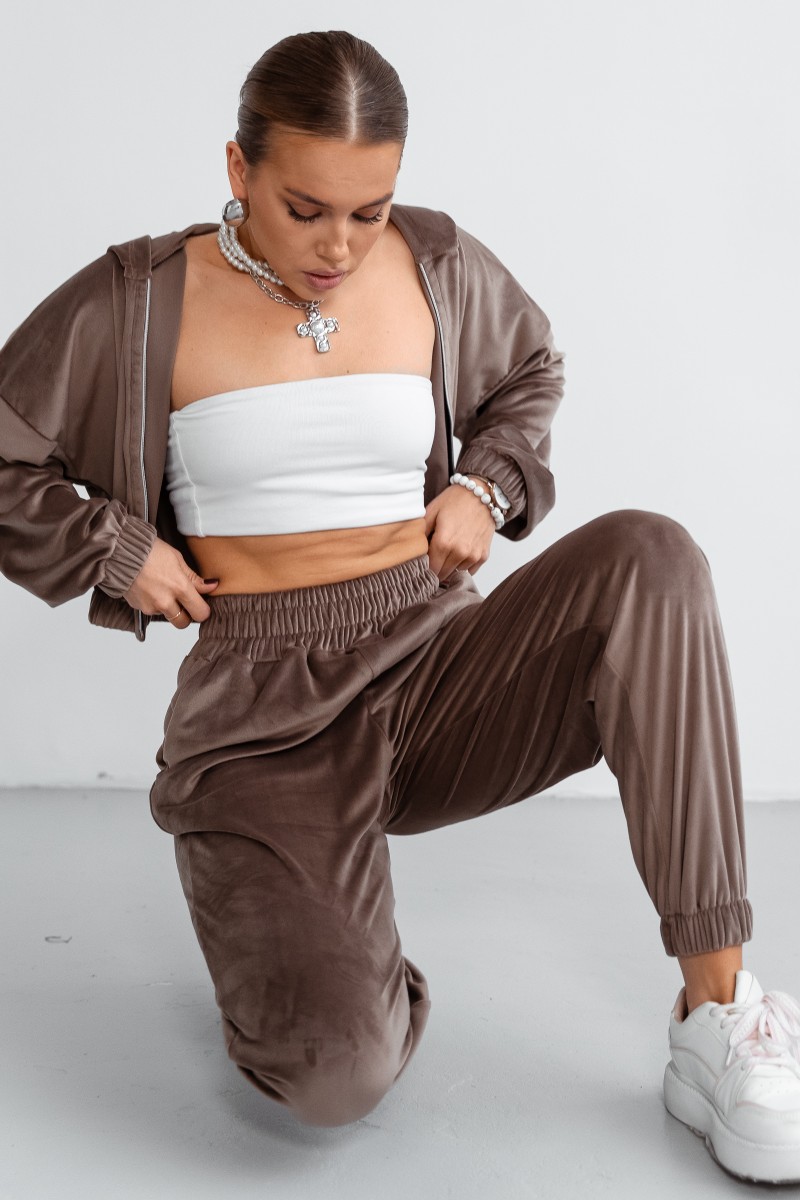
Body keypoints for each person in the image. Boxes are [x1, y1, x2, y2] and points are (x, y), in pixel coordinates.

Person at [2, 28, 800, 1184]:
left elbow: (528, 371)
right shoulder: (140, 296)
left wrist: (486, 484)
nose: (338, 245)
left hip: (435, 664)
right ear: (237, 169)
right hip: (259, 720)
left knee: (650, 557)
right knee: (332, 1079)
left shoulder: (432, 261)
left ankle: (715, 1015)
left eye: (367, 211)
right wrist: (115, 551)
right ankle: (325, 949)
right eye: (304, 208)